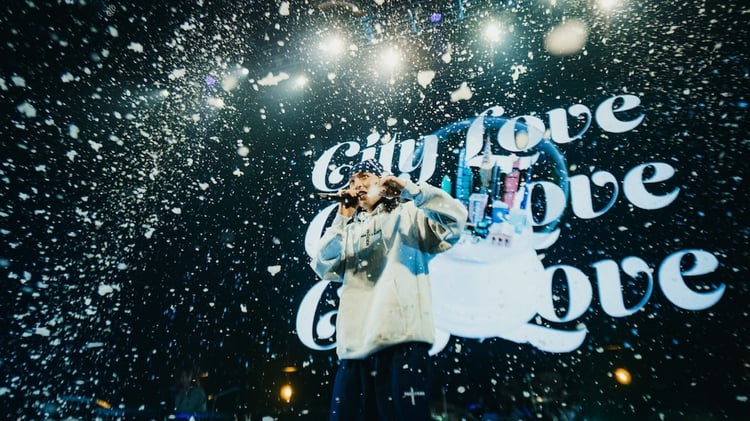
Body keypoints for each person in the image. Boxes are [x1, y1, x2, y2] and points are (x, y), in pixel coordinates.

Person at [311, 159, 467, 421]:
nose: (357, 185)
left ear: (383, 179)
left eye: (364, 177)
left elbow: (456, 220)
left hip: (400, 343)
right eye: (352, 182)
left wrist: (409, 190)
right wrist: (341, 218)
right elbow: (322, 264)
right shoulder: (348, 232)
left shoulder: (409, 214)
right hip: (354, 352)